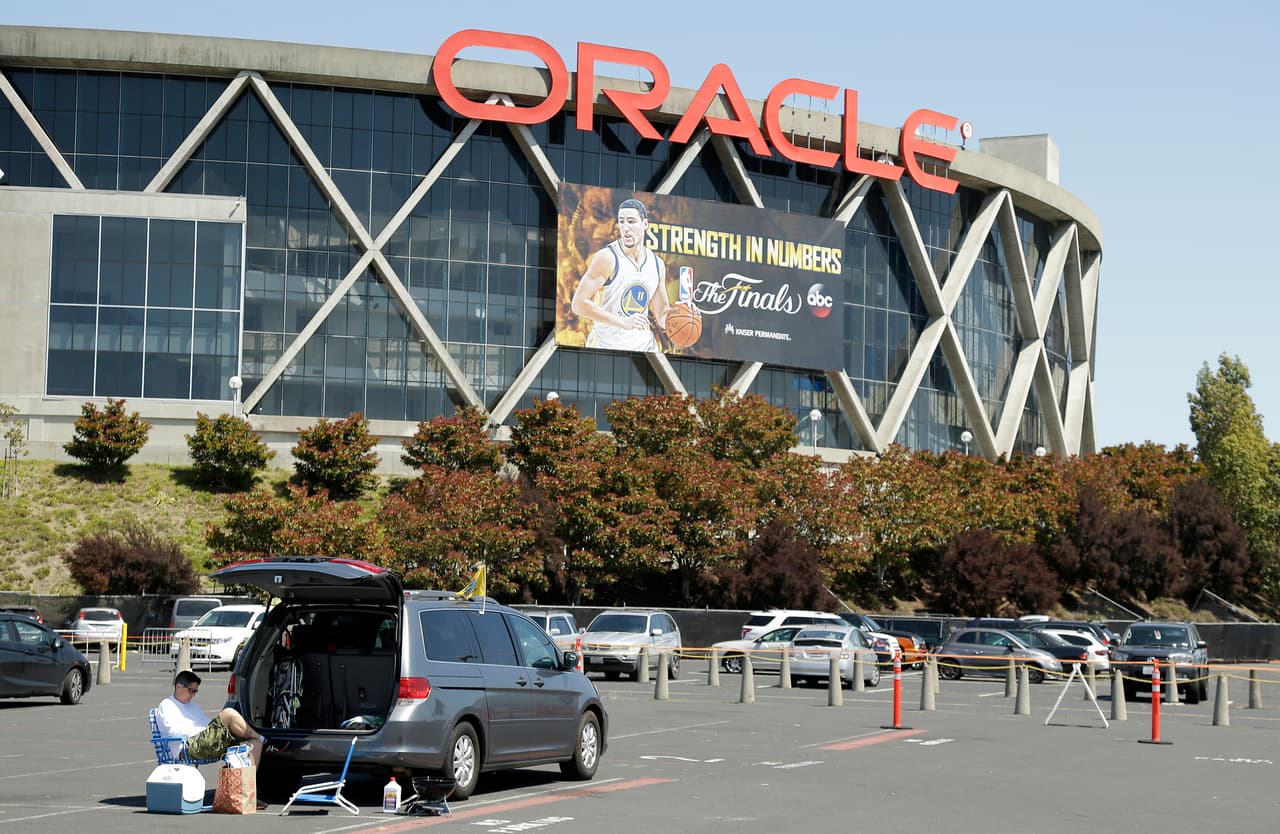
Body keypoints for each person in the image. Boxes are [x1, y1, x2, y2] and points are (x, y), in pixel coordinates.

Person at [571, 197, 671, 351]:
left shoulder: (657, 265)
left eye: (631, 221)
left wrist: (683, 315)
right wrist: (622, 322)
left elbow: (663, 315)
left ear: (645, 224)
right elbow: (578, 304)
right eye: (621, 221)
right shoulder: (607, 257)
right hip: (606, 345)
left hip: (643, 347)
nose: (625, 227)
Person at [155, 670, 264, 765]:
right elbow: (173, 732)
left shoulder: (192, 705)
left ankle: (248, 786)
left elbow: (205, 722)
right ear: (178, 687)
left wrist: (211, 728)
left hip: (204, 740)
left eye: (195, 691)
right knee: (228, 714)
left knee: (255, 744)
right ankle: (261, 737)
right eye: (191, 691)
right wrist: (201, 730)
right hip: (186, 747)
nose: (193, 695)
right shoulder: (167, 705)